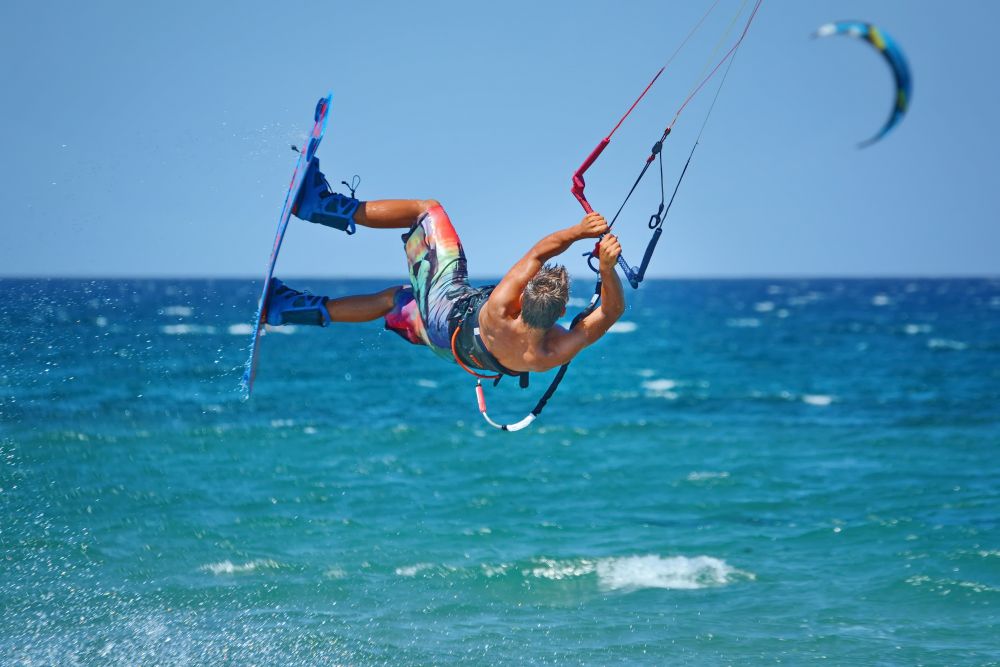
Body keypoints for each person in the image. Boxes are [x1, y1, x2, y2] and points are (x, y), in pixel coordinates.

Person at [264, 159, 626, 377]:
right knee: (395, 300)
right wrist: (607, 269)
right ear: (560, 312)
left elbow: (537, 255)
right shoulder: (553, 350)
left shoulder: (501, 307)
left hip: (447, 312)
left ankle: (320, 205)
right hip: (451, 348)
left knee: (428, 210)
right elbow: (611, 310)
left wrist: (578, 232)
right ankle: (285, 310)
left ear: (524, 296)